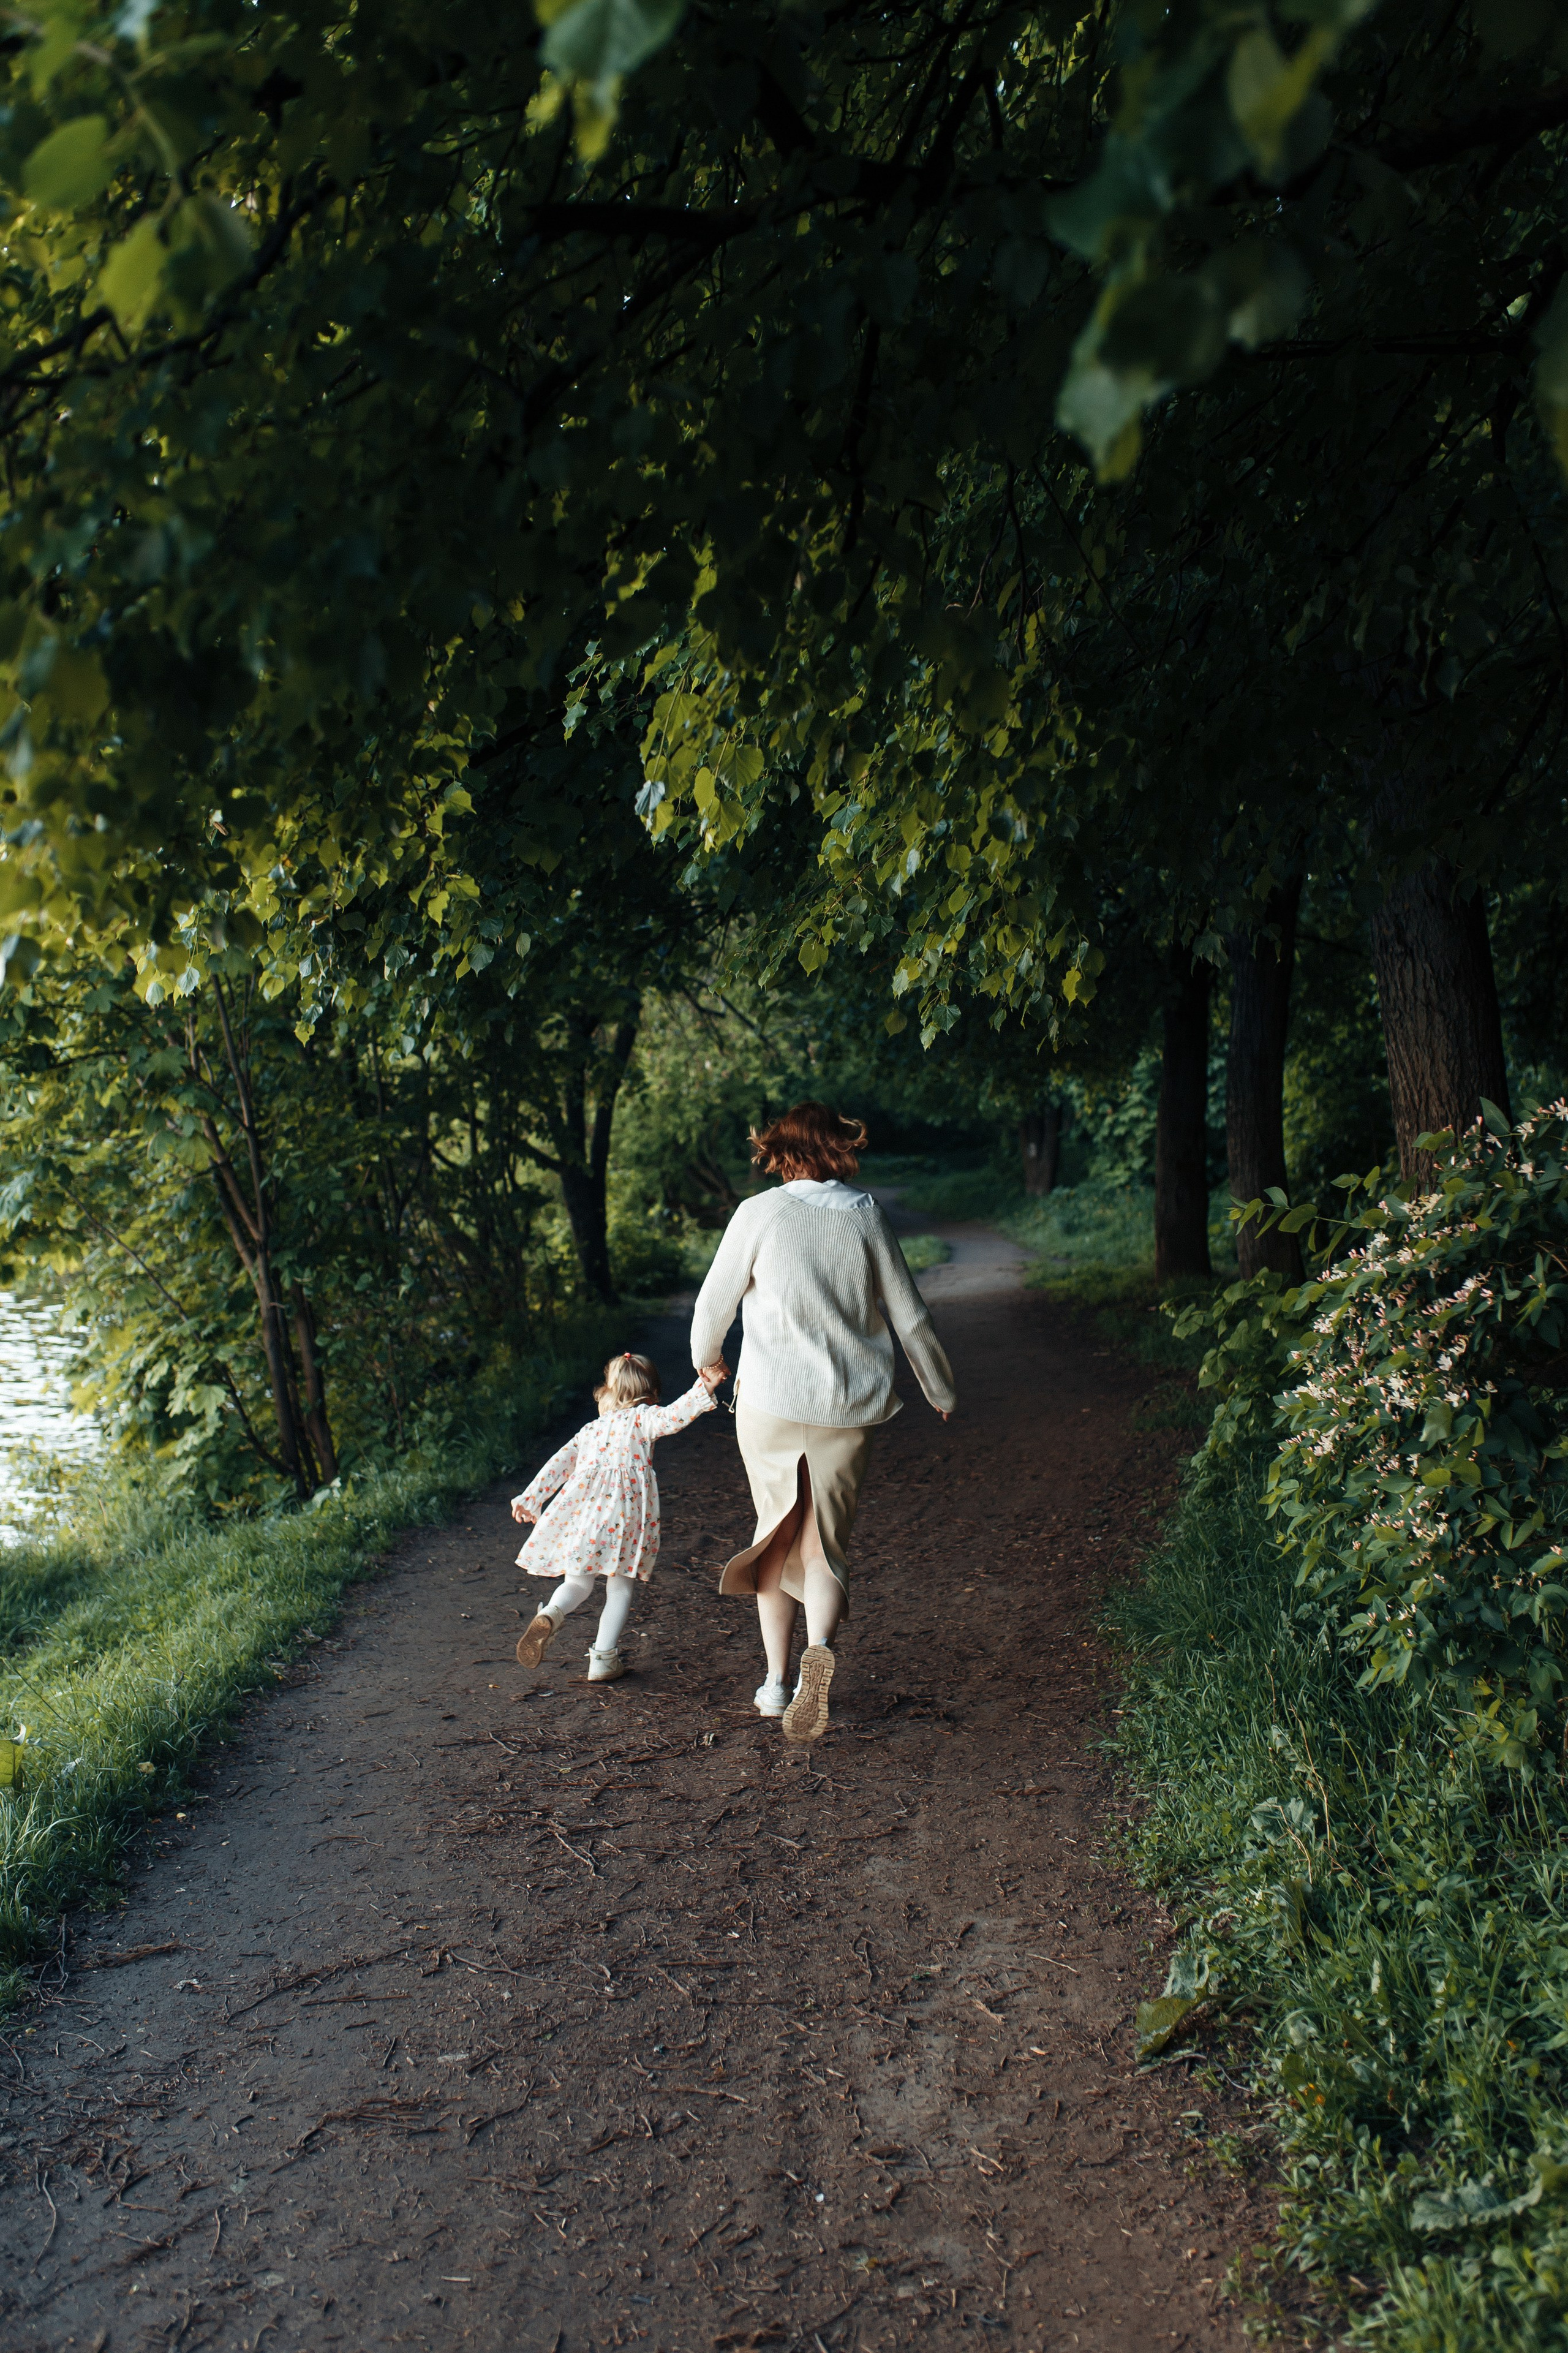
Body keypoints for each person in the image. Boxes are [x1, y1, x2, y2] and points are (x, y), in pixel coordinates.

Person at [689, 1102, 956, 1742]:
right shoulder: (864, 1214)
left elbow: (713, 1305)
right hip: (847, 1409)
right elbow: (910, 1316)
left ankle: (775, 1683)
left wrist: (708, 1361)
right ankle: (819, 1654)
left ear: (777, 1151)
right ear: (841, 1148)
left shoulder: (757, 1213)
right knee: (822, 1547)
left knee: (773, 1538)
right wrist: (940, 1387)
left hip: (769, 1403)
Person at [512, 1350, 728, 1684]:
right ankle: (603, 1658)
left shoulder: (590, 1430)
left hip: (584, 1519)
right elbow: (676, 1415)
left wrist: (531, 1498)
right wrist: (706, 1386)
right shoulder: (644, 1419)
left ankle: (552, 1613)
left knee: (577, 1583)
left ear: (608, 1392)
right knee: (620, 1590)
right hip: (624, 1521)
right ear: (651, 1393)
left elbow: (559, 1464)